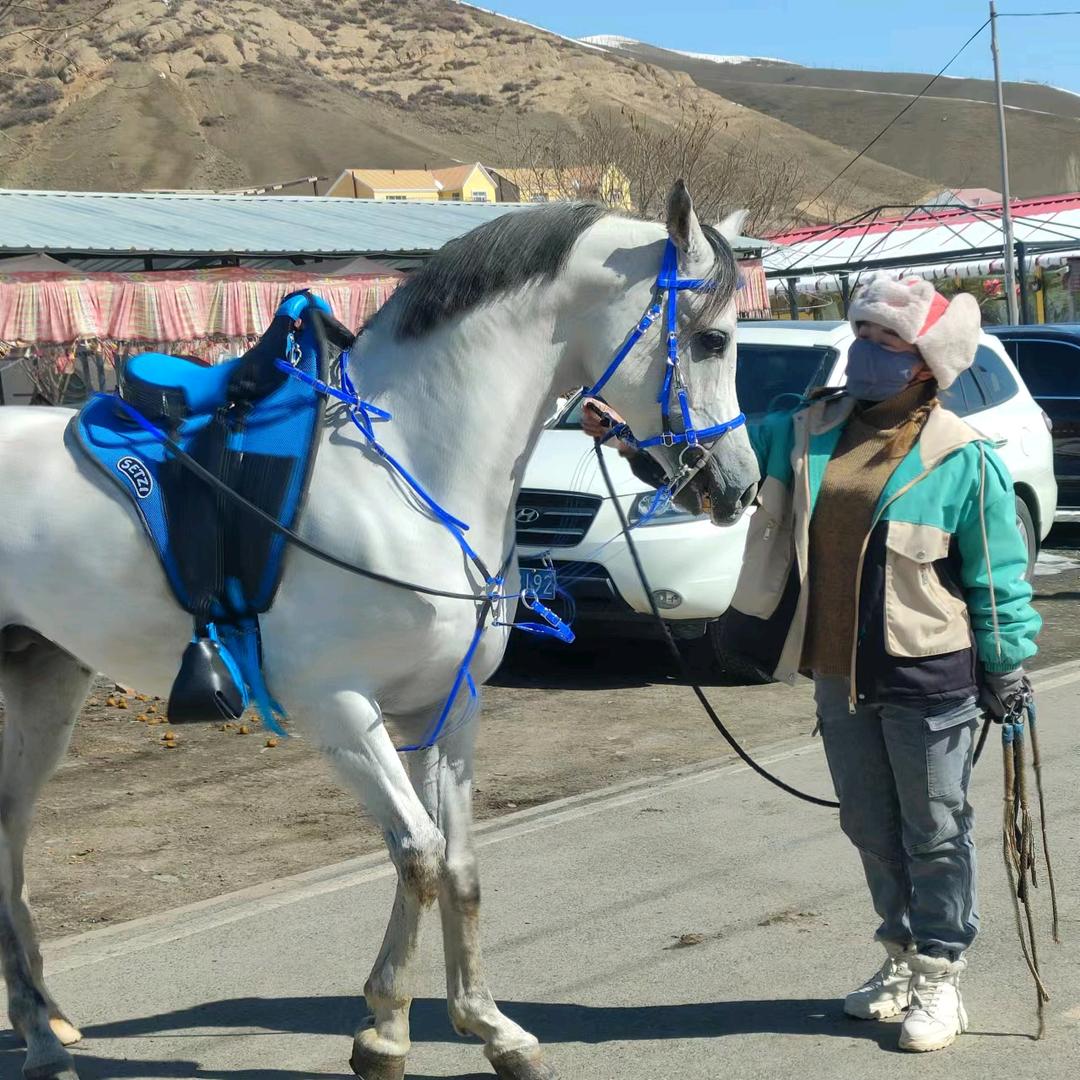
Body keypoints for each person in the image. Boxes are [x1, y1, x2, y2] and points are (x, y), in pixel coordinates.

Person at [581, 278, 1040, 1053]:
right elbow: (712, 480)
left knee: (934, 831)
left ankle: (939, 974)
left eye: (884, 342)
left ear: (924, 363)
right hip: (838, 673)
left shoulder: (964, 458)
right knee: (867, 823)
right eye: (862, 335)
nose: (864, 351)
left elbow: (998, 579)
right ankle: (897, 959)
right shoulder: (806, 429)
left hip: (930, 675)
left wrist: (1007, 667)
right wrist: (631, 444)